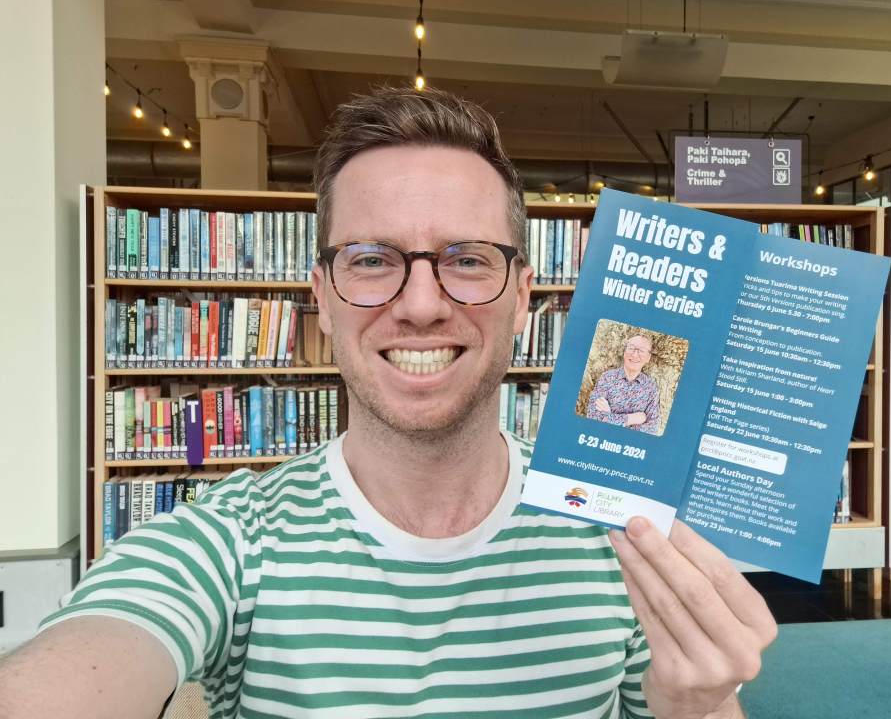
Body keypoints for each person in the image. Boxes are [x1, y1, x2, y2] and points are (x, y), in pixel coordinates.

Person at [0, 87, 775, 718]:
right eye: (372, 260)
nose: (422, 305)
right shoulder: (229, 540)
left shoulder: (617, 533)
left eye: (467, 259)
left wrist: (694, 709)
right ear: (322, 296)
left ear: (521, 297)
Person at [585, 334, 661, 435]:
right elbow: (592, 416)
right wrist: (632, 419)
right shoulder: (607, 378)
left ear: (648, 358)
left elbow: (652, 428)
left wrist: (610, 416)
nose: (635, 355)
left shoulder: (651, 387)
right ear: (624, 352)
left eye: (641, 351)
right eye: (631, 348)